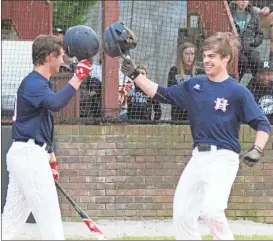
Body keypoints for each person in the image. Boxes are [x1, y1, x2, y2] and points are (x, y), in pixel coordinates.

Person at [120, 32, 271, 240]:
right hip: (198, 157)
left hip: (223, 158)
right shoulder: (195, 86)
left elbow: (262, 123)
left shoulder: (238, 92)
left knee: (212, 211)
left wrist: (257, 149)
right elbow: (162, 93)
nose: (206, 60)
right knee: (182, 215)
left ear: (226, 58)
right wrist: (136, 75)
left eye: (212, 56)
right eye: (205, 56)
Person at [2, 35, 92, 240]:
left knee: (12, 220)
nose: (62, 62)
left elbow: (42, 122)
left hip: (29, 154)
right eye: (60, 57)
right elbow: (55, 104)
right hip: (28, 156)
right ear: (50, 57)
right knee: (50, 219)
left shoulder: (39, 84)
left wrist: (51, 157)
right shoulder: (33, 83)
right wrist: (77, 78)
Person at [168, 42, 205, 121]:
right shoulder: (174, 70)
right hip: (177, 113)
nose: (189, 57)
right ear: (181, 55)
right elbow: (171, 90)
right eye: (187, 54)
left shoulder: (200, 72)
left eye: (192, 54)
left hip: (194, 113)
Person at [229, 0, 264, 80]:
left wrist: (254, 42)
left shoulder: (253, 14)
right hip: (234, 47)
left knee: (255, 59)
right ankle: (237, 81)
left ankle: (255, 82)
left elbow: (259, 33)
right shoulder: (229, 13)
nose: (243, 2)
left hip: (249, 46)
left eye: (246, 0)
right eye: (241, 0)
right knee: (242, 61)